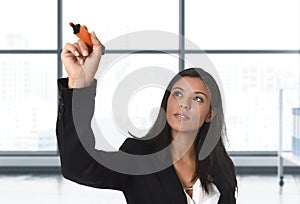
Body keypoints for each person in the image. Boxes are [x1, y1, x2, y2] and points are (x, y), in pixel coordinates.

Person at [56, 29, 237, 204]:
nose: (184, 104)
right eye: (178, 94)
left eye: (198, 98)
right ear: (166, 103)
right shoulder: (139, 156)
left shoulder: (222, 168)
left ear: (210, 114)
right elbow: (77, 166)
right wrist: (80, 83)